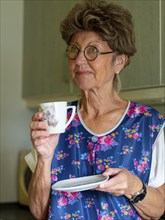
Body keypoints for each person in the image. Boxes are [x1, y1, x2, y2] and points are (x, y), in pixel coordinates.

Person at [28, 0, 165, 219]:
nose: (80, 60)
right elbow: (39, 212)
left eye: (93, 50)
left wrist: (133, 186)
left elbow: (157, 211)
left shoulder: (148, 124)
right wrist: (44, 158)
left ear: (119, 61)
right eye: (74, 49)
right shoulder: (54, 122)